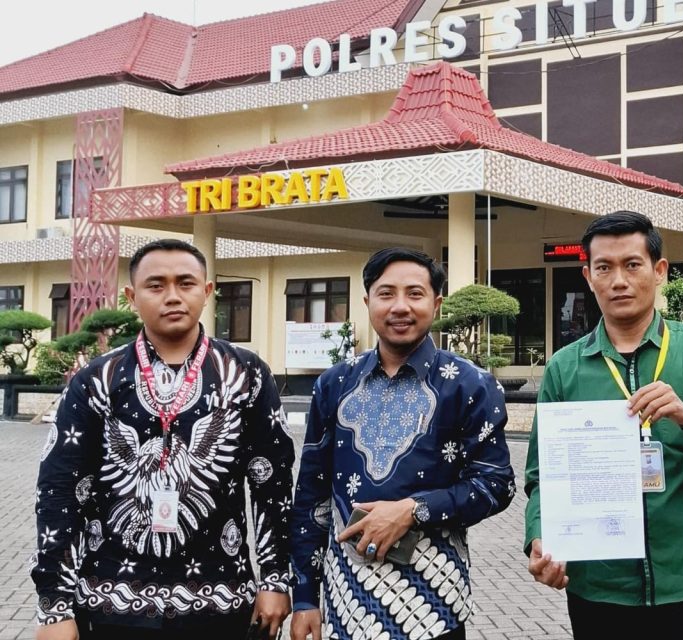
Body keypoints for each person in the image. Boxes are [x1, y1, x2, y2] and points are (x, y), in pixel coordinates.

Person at [32, 239, 295, 639]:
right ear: (131, 296)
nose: (172, 296)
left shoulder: (246, 374)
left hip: (221, 600)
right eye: (156, 285)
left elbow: (271, 483)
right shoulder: (97, 380)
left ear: (207, 291)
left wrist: (275, 578)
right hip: (112, 603)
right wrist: (55, 607)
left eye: (185, 283)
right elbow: (60, 491)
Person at [523, 210, 683, 639]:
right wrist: (540, 538)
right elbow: (542, 477)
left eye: (632, 264)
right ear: (588, 277)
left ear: (659, 270)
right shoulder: (564, 367)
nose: (619, 280)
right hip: (600, 587)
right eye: (604, 268)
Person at [290, 248, 516, 640]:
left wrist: (414, 510)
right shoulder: (334, 384)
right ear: (367, 302)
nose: (400, 306)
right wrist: (305, 596)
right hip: (347, 602)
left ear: (436, 303)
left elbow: (497, 485)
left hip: (433, 605)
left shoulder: (470, 385)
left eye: (414, 293)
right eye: (386, 293)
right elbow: (312, 494)